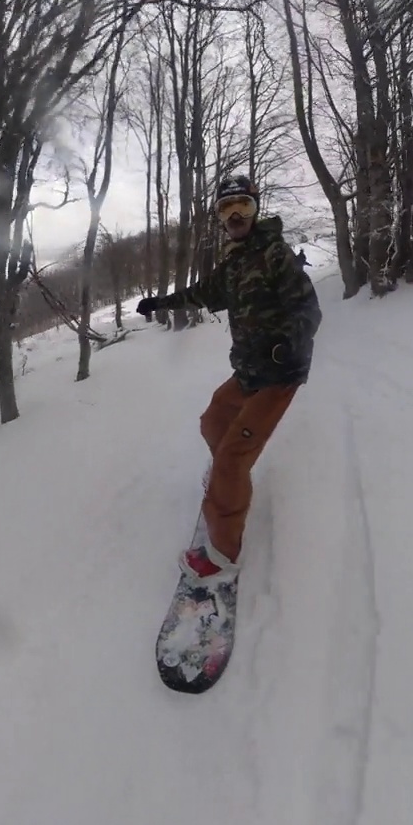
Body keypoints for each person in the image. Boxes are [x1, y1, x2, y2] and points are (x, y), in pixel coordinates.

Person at [137, 174, 322, 586]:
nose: (235, 214)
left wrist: (288, 346)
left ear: (255, 209)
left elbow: (309, 311)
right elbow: (204, 292)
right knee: (213, 423)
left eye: (243, 205)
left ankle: (223, 556)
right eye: (226, 208)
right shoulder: (237, 263)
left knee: (231, 456)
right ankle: (231, 482)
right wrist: (161, 302)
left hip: (278, 375)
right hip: (249, 372)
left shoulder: (275, 254)